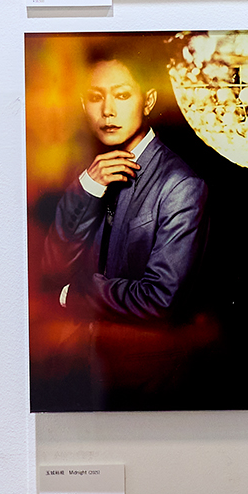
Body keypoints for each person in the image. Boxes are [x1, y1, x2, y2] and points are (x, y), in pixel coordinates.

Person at [47, 52, 207, 321]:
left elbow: (160, 299)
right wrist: (88, 186)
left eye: (122, 95)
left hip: (137, 345)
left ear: (149, 101)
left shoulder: (180, 185)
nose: (107, 110)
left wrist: (74, 293)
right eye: (95, 97)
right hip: (80, 341)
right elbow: (52, 268)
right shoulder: (85, 173)